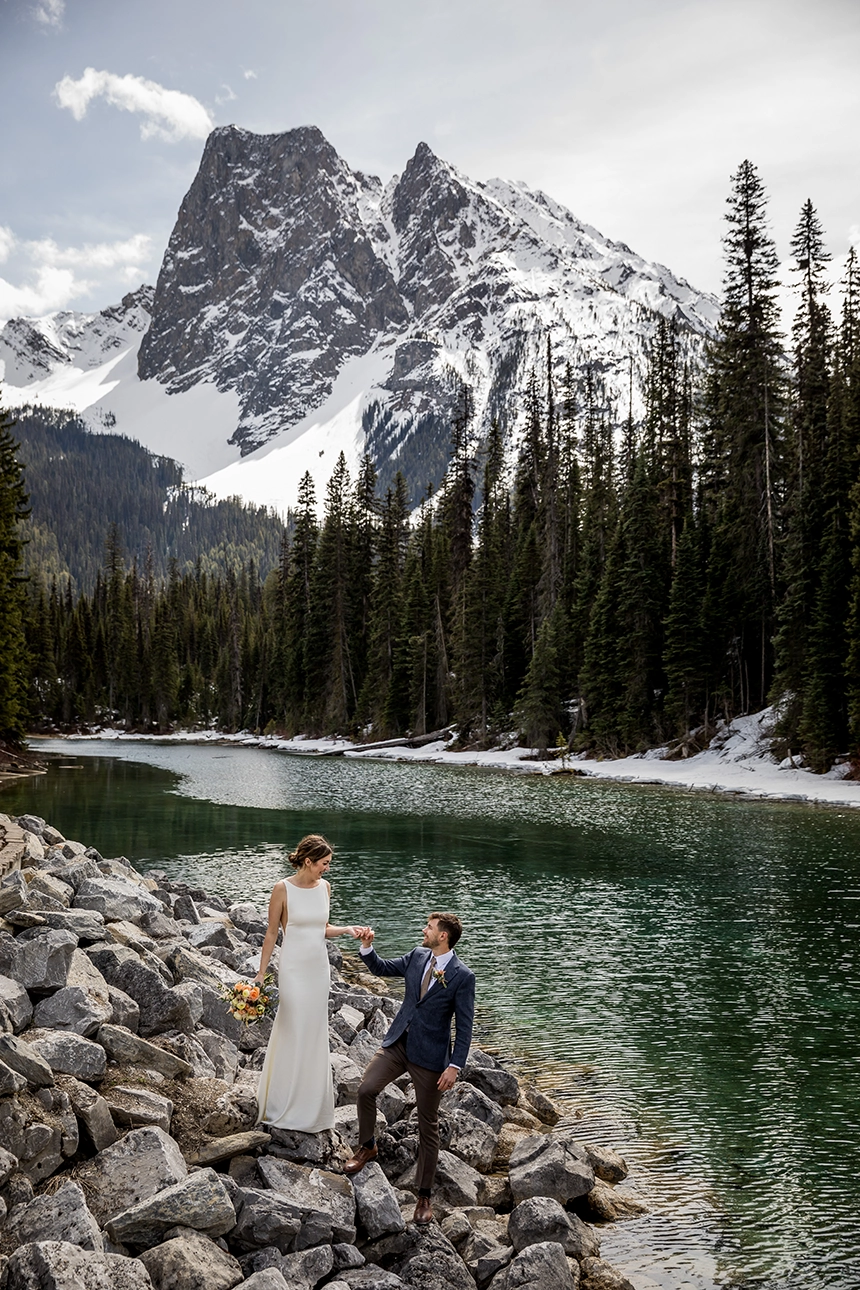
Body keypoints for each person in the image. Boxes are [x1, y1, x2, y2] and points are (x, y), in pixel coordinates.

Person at [344, 912, 475, 1226]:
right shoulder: (418, 956)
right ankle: (367, 1146)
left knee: (427, 1125)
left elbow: (465, 1026)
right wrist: (367, 948)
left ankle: (424, 1195)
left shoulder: (462, 976)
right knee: (366, 1090)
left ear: (443, 936)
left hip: (430, 1057)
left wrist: (454, 1066)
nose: (423, 930)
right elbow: (382, 968)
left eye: (428, 927)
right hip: (398, 1042)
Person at [255, 834, 363, 1131]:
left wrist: (347, 930)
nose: (327, 869)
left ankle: (310, 1107)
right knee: (292, 1028)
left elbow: (322, 928)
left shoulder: (325, 887)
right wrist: (261, 973)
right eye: (324, 864)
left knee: (314, 1032)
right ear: (308, 861)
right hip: (292, 968)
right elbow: (271, 934)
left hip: (318, 969)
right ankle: (280, 1103)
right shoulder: (282, 888)